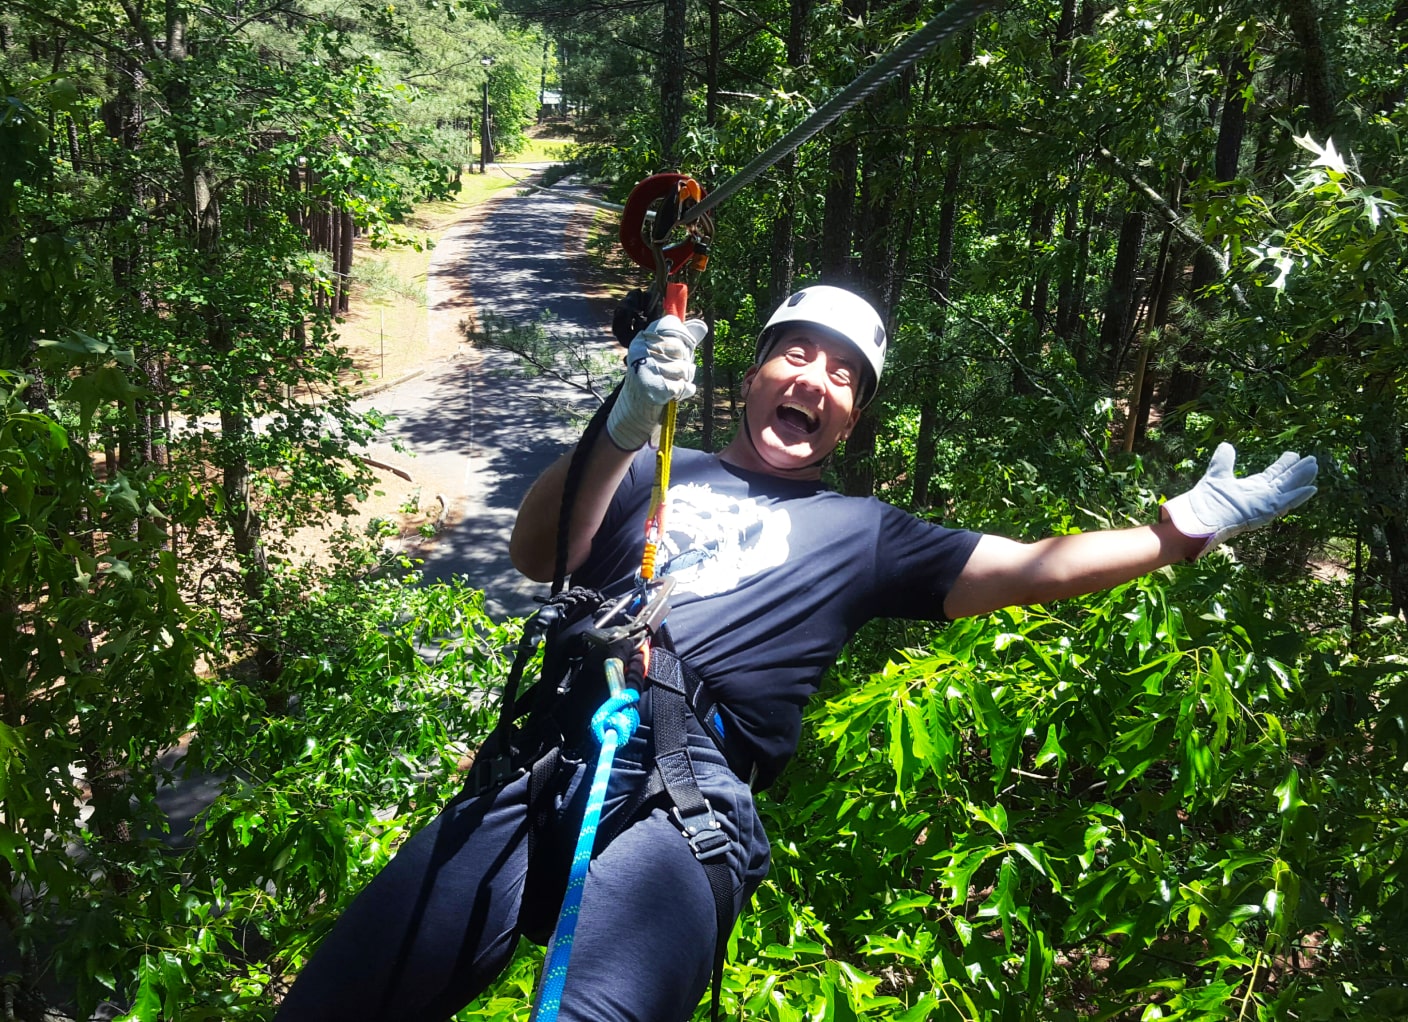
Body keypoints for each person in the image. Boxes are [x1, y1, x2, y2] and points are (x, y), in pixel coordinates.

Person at [274, 285, 1318, 1022]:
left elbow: (1036, 562)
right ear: (758, 369)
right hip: (541, 765)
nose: (815, 379)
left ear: (851, 417)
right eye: (799, 352)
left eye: (844, 374)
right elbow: (536, 548)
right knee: (332, 1000)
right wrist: (624, 417)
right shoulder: (648, 467)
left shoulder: (863, 533)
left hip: (686, 804)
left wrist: (1177, 530)